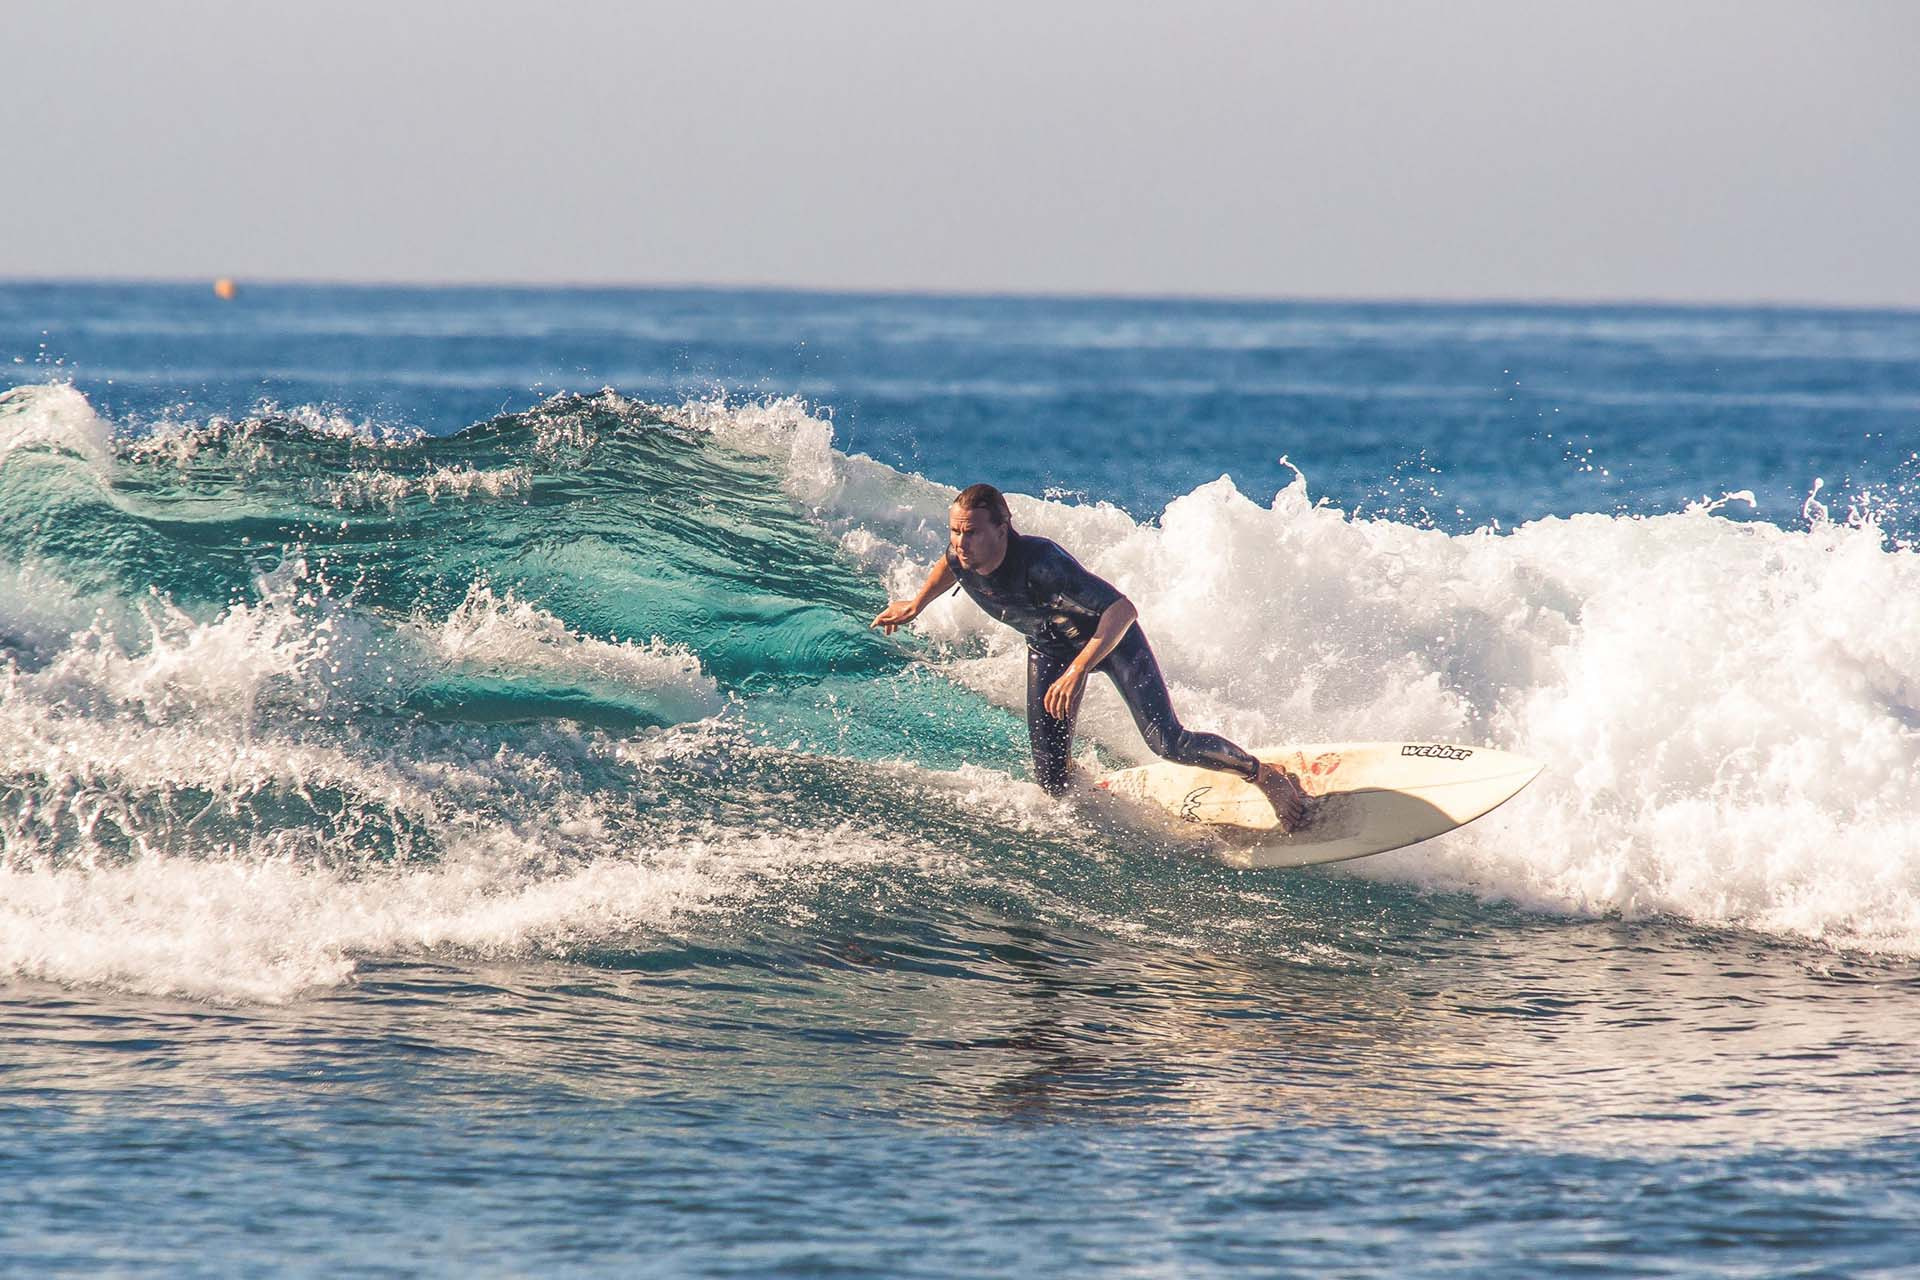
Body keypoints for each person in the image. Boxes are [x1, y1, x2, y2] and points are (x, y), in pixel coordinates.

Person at [872, 483, 1307, 829]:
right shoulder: (961, 553)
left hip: (1111, 641)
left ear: (1003, 529)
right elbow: (949, 563)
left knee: (1166, 741)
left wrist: (1079, 670)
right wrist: (916, 603)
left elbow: (1122, 610)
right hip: (1049, 647)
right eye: (955, 531)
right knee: (1051, 781)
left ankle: (1263, 774)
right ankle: (1084, 779)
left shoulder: (1041, 563)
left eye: (971, 532)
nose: (960, 542)